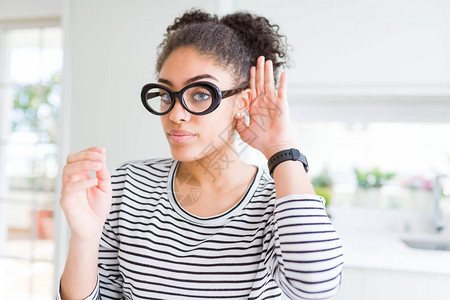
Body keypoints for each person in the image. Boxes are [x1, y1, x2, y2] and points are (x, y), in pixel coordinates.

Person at [57, 9, 343, 300]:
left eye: (201, 94)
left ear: (242, 102)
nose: (176, 114)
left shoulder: (277, 205)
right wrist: (84, 239)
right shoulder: (128, 186)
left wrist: (280, 148)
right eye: (167, 94)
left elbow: (316, 286)